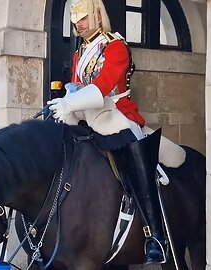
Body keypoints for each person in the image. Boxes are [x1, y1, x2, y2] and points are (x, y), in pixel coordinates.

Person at [47, 0, 167, 264]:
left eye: (84, 19)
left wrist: (71, 101)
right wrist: (67, 98)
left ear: (98, 16)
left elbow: (103, 87)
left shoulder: (115, 46)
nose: (79, 25)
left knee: (135, 160)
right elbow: (80, 87)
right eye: (76, 20)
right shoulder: (80, 52)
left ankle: (155, 235)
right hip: (86, 115)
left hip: (115, 114)